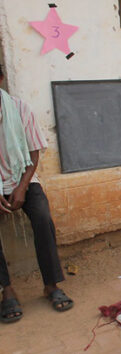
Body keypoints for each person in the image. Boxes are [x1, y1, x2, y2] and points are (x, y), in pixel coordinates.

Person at [0, 66, 73, 324]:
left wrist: (21, 188)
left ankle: (51, 284)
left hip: (24, 177)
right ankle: (6, 289)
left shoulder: (20, 109)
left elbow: (33, 154)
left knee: (43, 218)